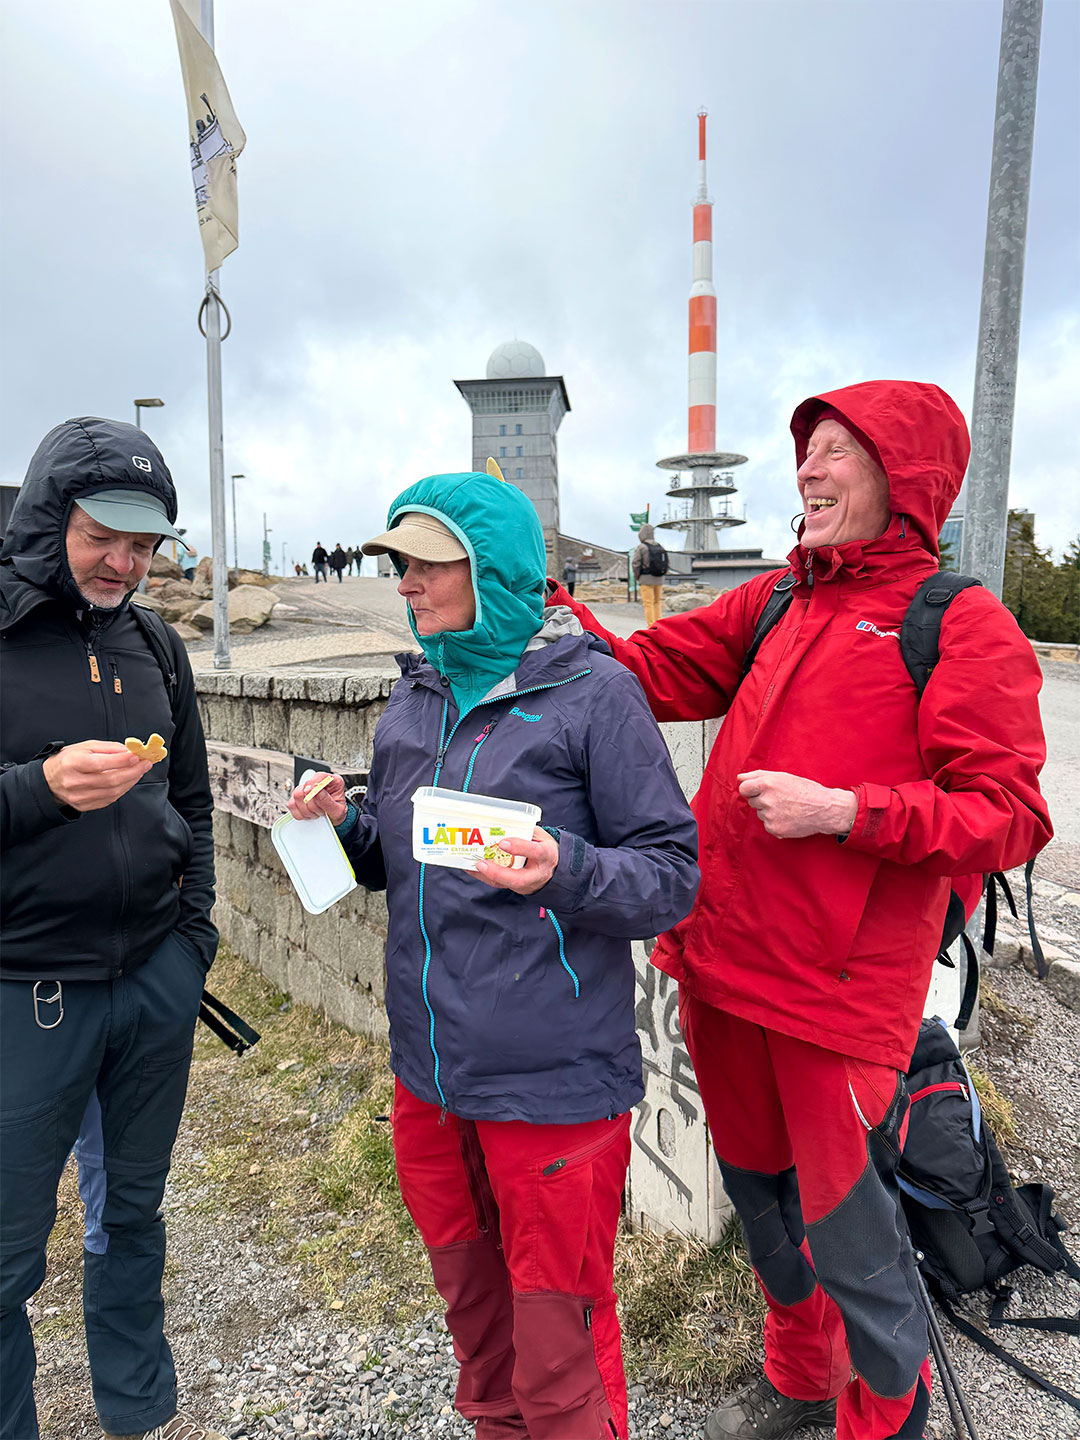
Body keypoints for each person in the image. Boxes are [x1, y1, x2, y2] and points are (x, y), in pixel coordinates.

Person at [545, 381, 1052, 1440]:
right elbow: (654, 669)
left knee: (851, 1234)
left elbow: (1007, 814)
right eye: (807, 453)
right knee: (765, 1202)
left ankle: (885, 1416)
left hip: (838, 998)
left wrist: (845, 812)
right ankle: (797, 1378)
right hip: (723, 961)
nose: (807, 471)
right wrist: (563, 618)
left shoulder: (958, 623)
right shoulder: (780, 599)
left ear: (900, 479)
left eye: (835, 452)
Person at [288, 469, 699, 1439]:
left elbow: (672, 876)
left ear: (496, 572)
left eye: (429, 564)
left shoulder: (595, 694)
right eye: (400, 564)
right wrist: (347, 823)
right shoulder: (414, 698)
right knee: (478, 1337)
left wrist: (565, 868)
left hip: (552, 1087)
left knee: (561, 1364)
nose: (406, 583)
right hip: (431, 1078)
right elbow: (401, 859)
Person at [0, 418, 221, 1440]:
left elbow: (195, 801)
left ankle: (138, 1412)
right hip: (23, 995)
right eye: (105, 539)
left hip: (151, 985)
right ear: (52, 522)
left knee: (131, 1216)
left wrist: (193, 943)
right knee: (6, 1252)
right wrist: (38, 789)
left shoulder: (156, 648)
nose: (125, 565)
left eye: (144, 546)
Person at [632, 522, 667, 625]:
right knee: (657, 603)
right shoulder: (660, 546)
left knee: (648, 604)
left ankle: (651, 626)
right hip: (659, 579)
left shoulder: (641, 547)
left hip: (646, 579)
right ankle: (659, 625)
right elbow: (666, 563)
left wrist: (637, 576)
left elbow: (635, 563)